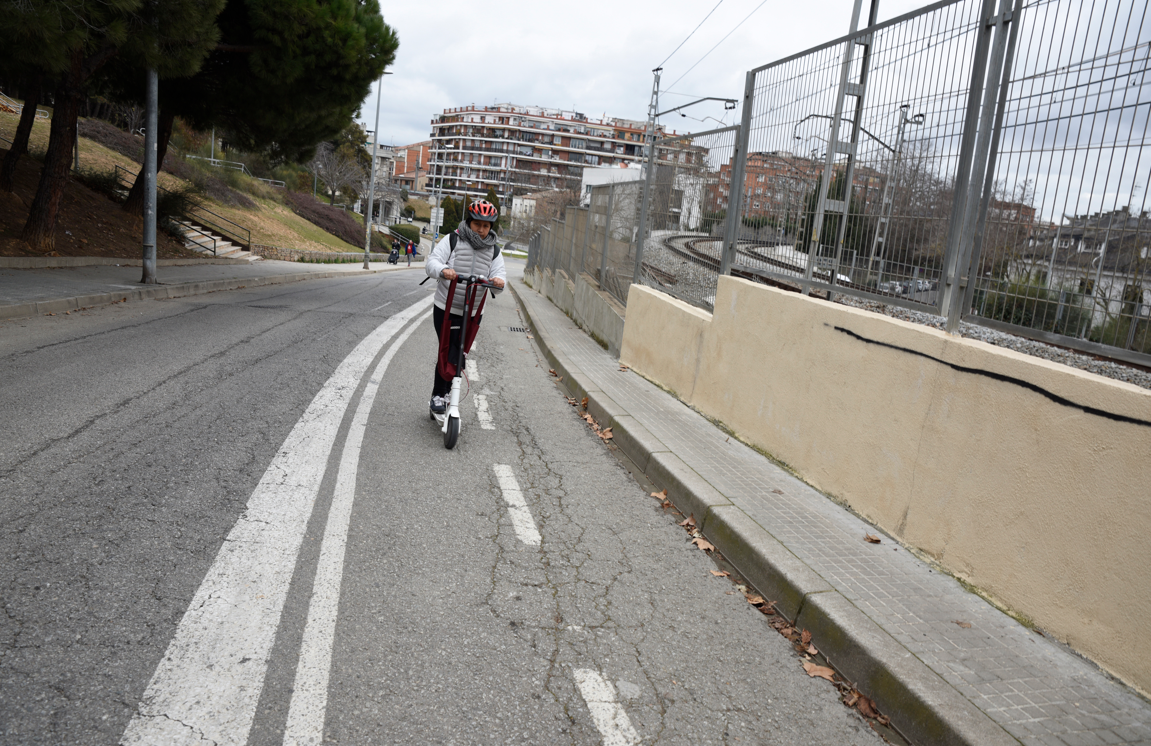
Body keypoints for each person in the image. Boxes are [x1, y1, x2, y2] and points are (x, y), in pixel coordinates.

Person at [425, 199, 506, 417]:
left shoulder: (494, 251)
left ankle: (445, 395)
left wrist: (498, 282)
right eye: (477, 224)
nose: (481, 230)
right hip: (445, 307)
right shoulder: (452, 239)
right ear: (469, 222)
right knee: (449, 349)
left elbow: (500, 279)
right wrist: (443, 271)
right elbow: (432, 262)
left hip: (472, 313)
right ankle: (438, 396)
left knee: (458, 352)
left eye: (486, 226)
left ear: (491, 228)